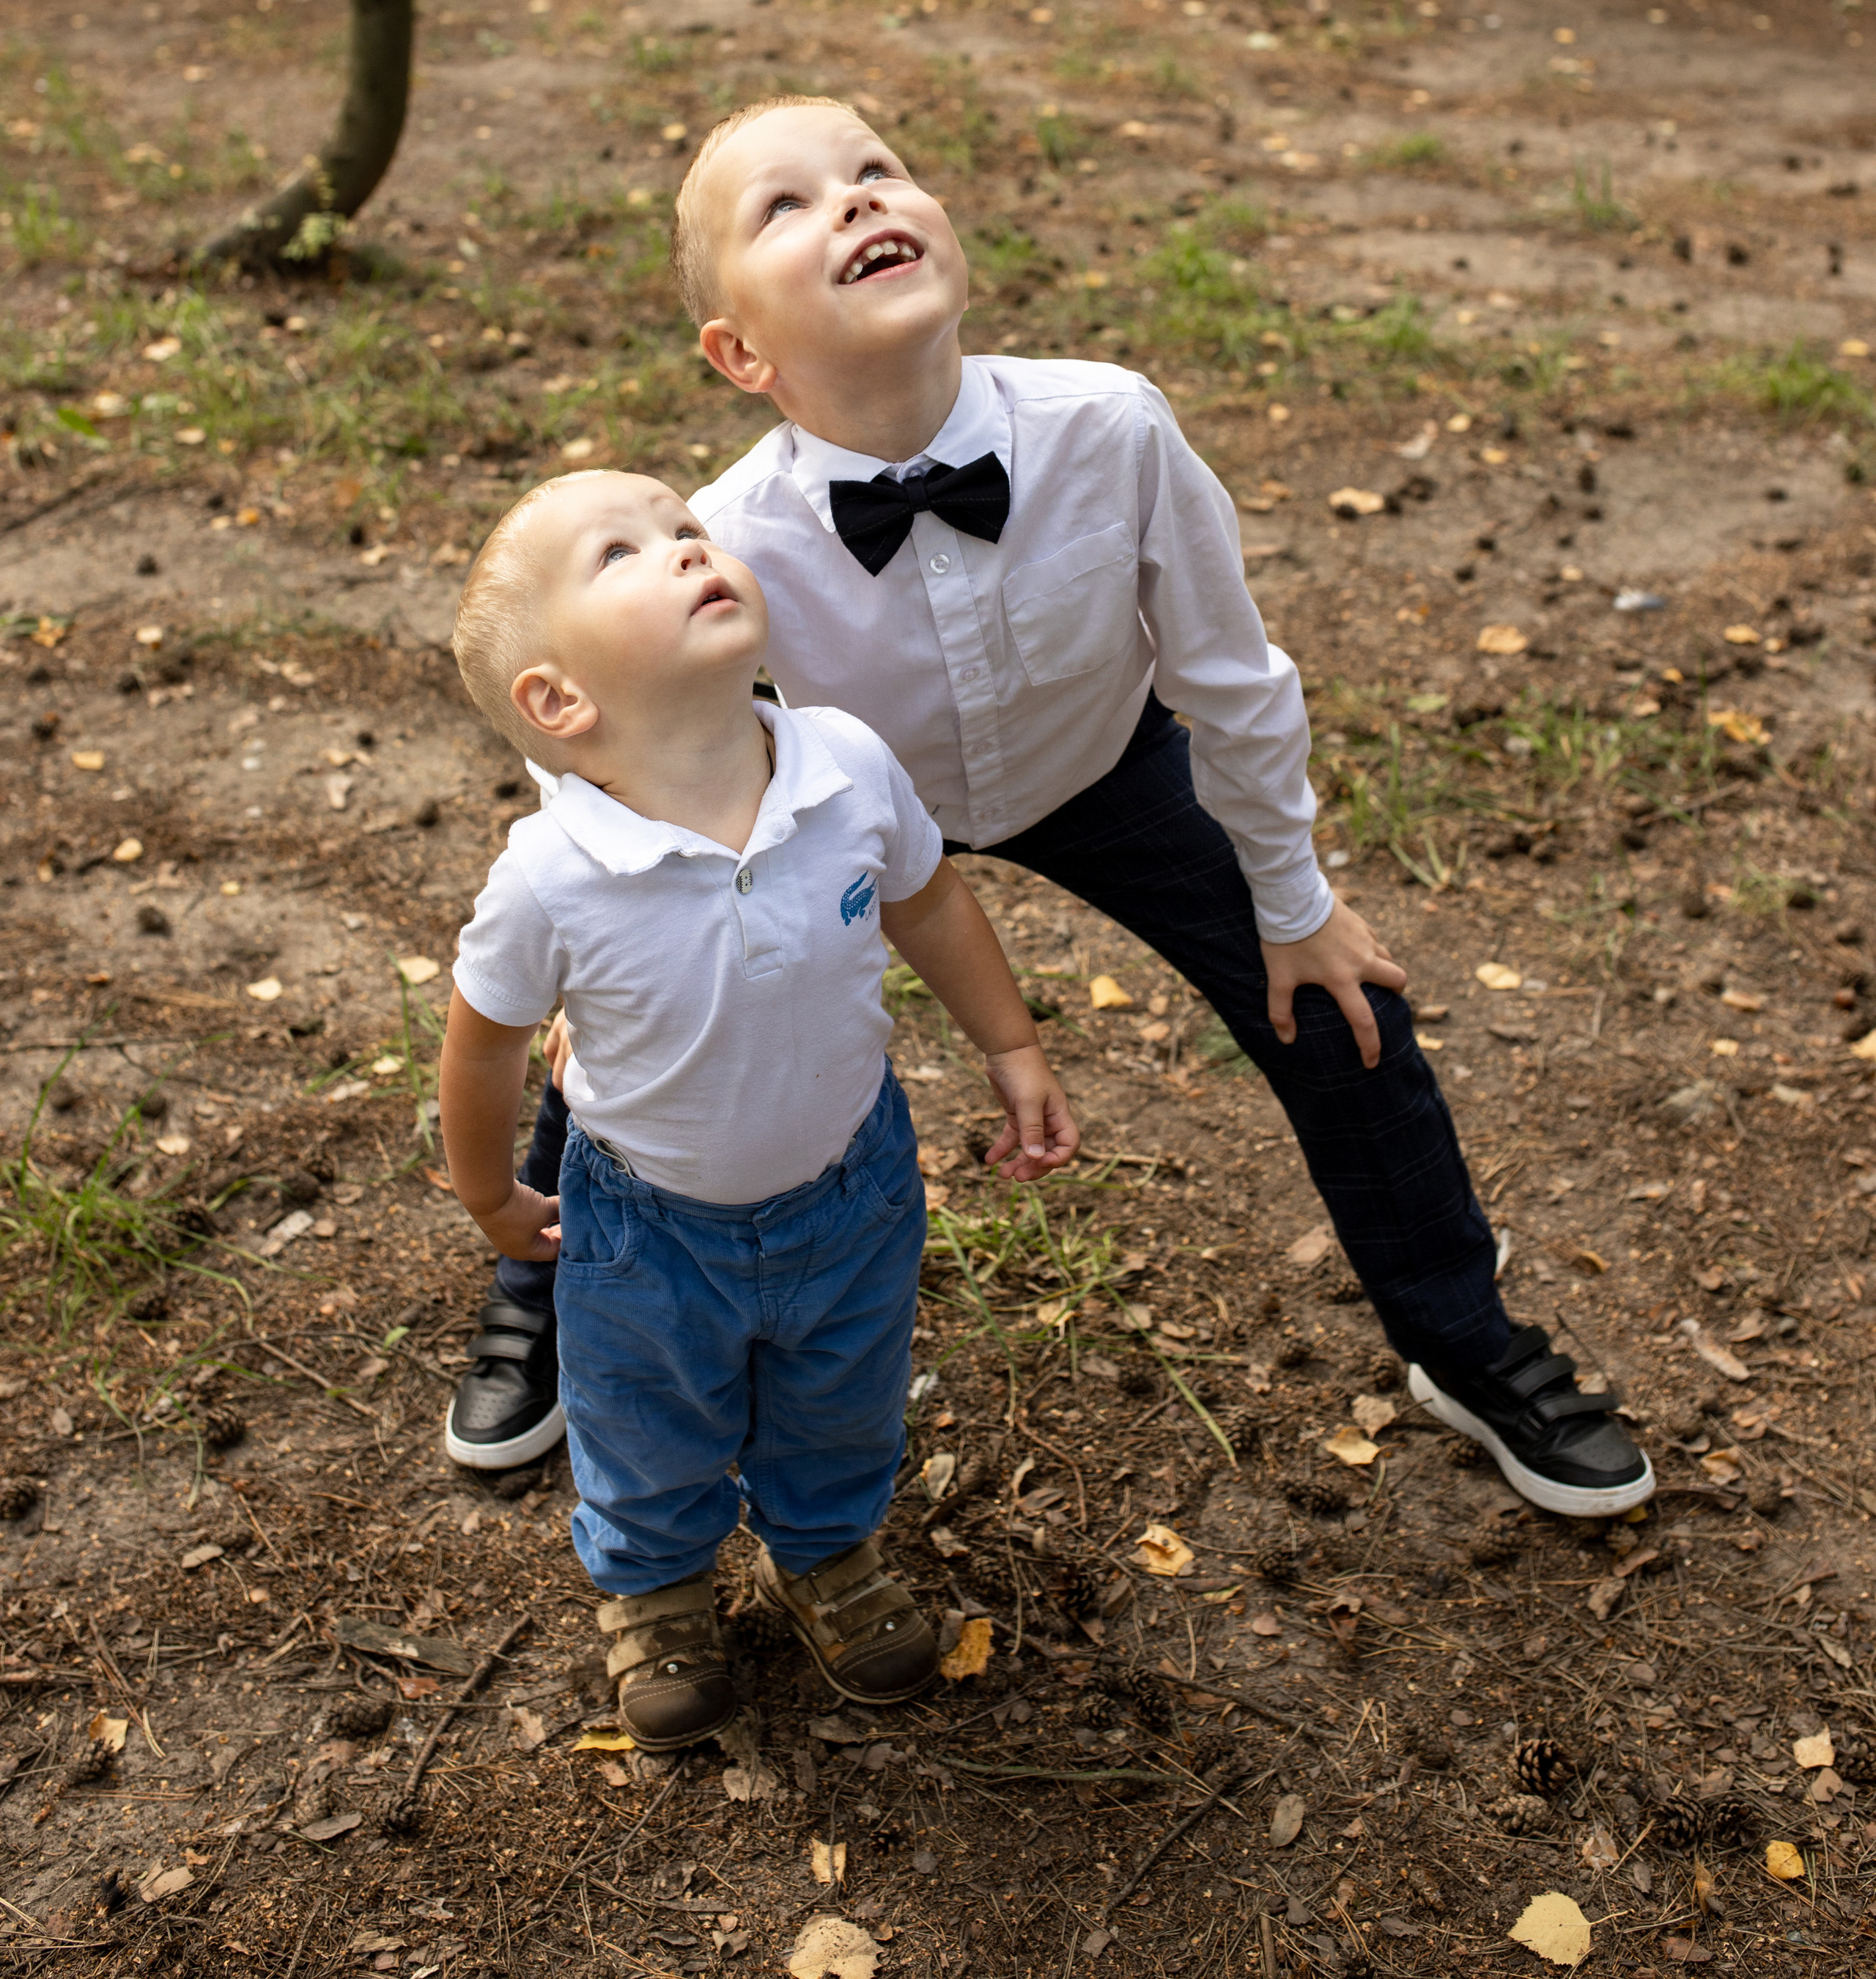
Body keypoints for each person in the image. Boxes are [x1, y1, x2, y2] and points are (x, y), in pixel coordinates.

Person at [449, 95, 1652, 1523]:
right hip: (840, 800)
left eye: (876, 170)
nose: (854, 199)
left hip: (1101, 766)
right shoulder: (721, 534)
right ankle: (542, 1293)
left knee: (1339, 1011)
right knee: (637, 1032)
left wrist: (1293, 899)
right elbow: (612, 718)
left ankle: (1463, 1340)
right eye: (786, 206)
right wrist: (618, 916)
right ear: (740, 354)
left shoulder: (1108, 425)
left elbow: (1229, 677)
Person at [441, 466, 1078, 1747]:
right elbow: (485, 1042)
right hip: (648, 1223)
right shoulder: (554, 876)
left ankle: (827, 1554)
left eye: (685, 525)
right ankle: (659, 1584)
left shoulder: (843, 763)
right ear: (558, 700)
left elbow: (928, 902)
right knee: (644, 1413)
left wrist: (1011, 1044)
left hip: (851, 1186)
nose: (687, 546)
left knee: (844, 1393)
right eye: (621, 553)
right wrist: (491, 1190)